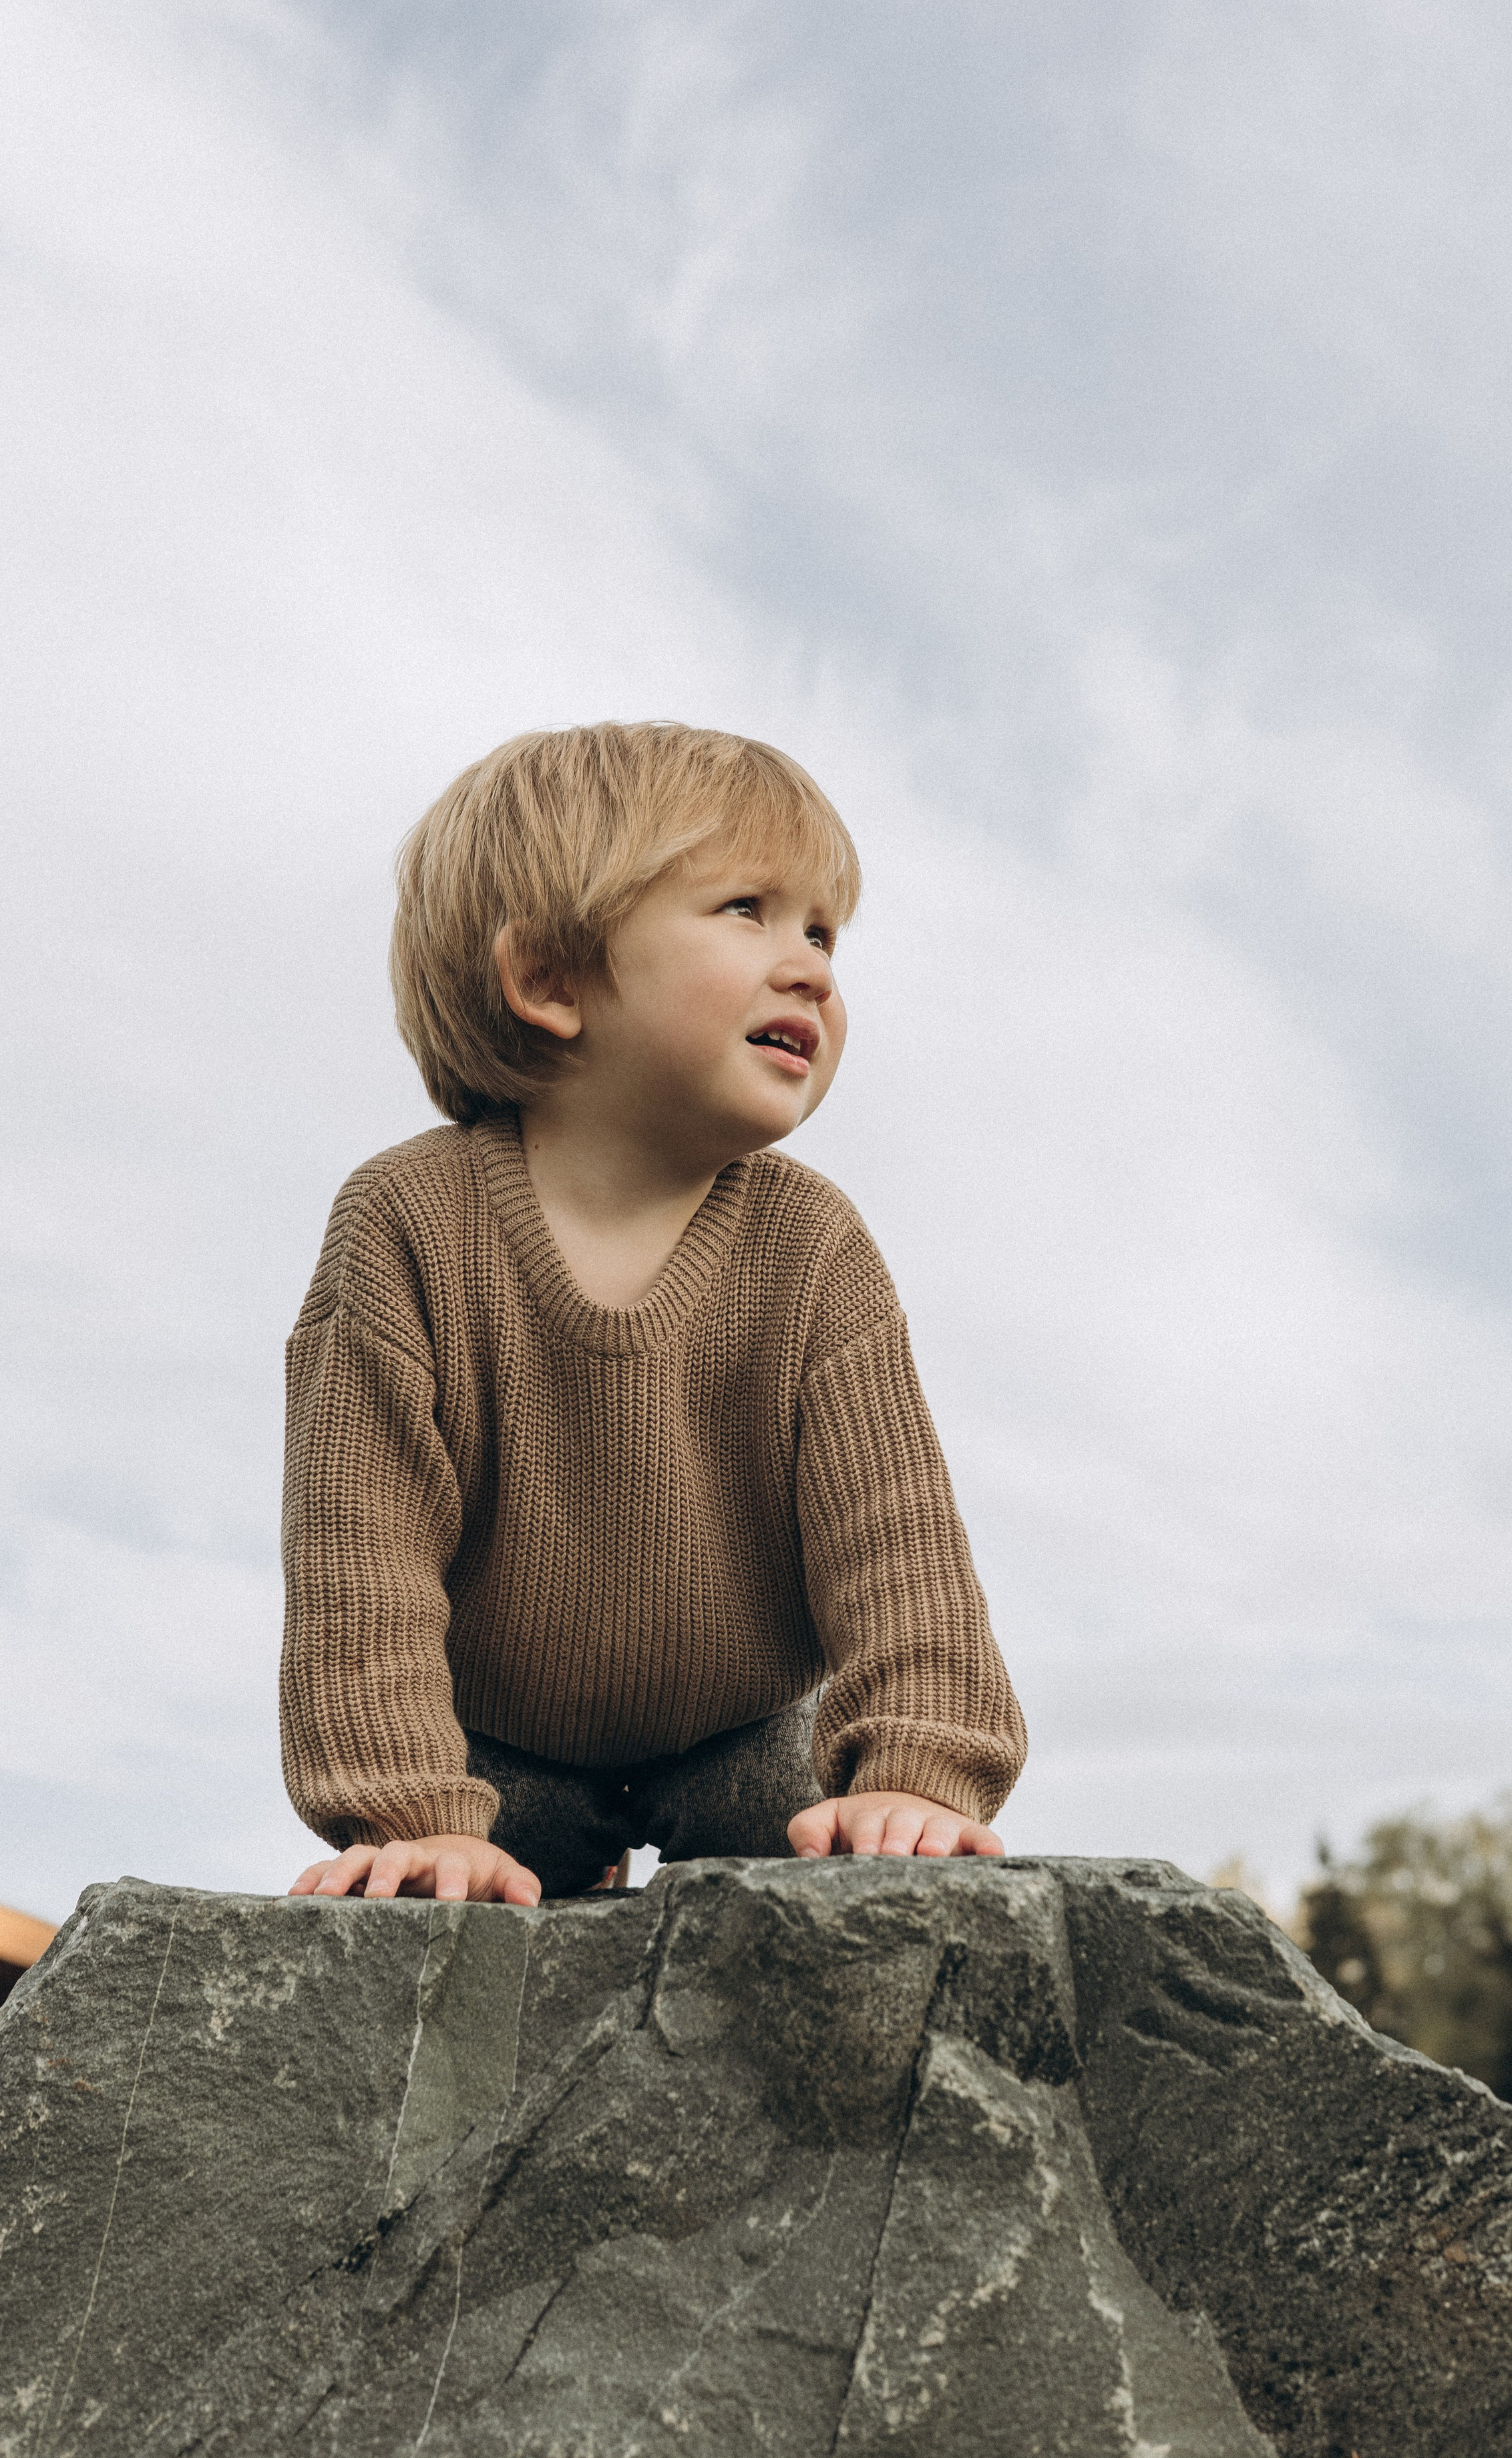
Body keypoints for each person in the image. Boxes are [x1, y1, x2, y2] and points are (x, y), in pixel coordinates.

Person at [283, 723, 1025, 1906]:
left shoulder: (813, 1248)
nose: (815, 969)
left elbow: (898, 1547)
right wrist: (413, 1813)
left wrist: (920, 1771)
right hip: (490, 1757)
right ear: (551, 980)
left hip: (741, 1739)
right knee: (449, 1903)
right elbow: (362, 1557)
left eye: (823, 932)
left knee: (852, 1873)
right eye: (747, 910)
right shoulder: (408, 1222)